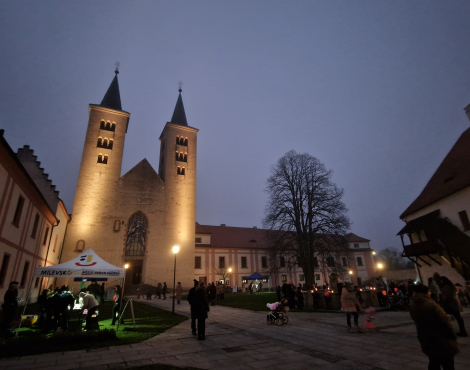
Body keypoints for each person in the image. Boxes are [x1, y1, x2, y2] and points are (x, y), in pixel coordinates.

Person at [409, 284, 459, 370]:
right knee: (447, 363)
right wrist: (452, 335)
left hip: (424, 336)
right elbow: (444, 322)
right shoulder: (431, 304)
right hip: (440, 338)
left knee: (434, 361)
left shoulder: (412, 304)